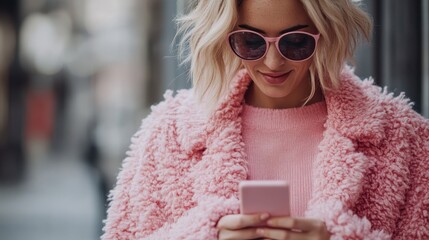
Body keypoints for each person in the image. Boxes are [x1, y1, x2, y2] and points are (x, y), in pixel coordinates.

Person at [101, 0, 429, 239]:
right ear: (226, 34)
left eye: (296, 42)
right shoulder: (169, 133)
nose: (272, 62)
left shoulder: (401, 136)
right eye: (251, 41)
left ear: (326, 32)